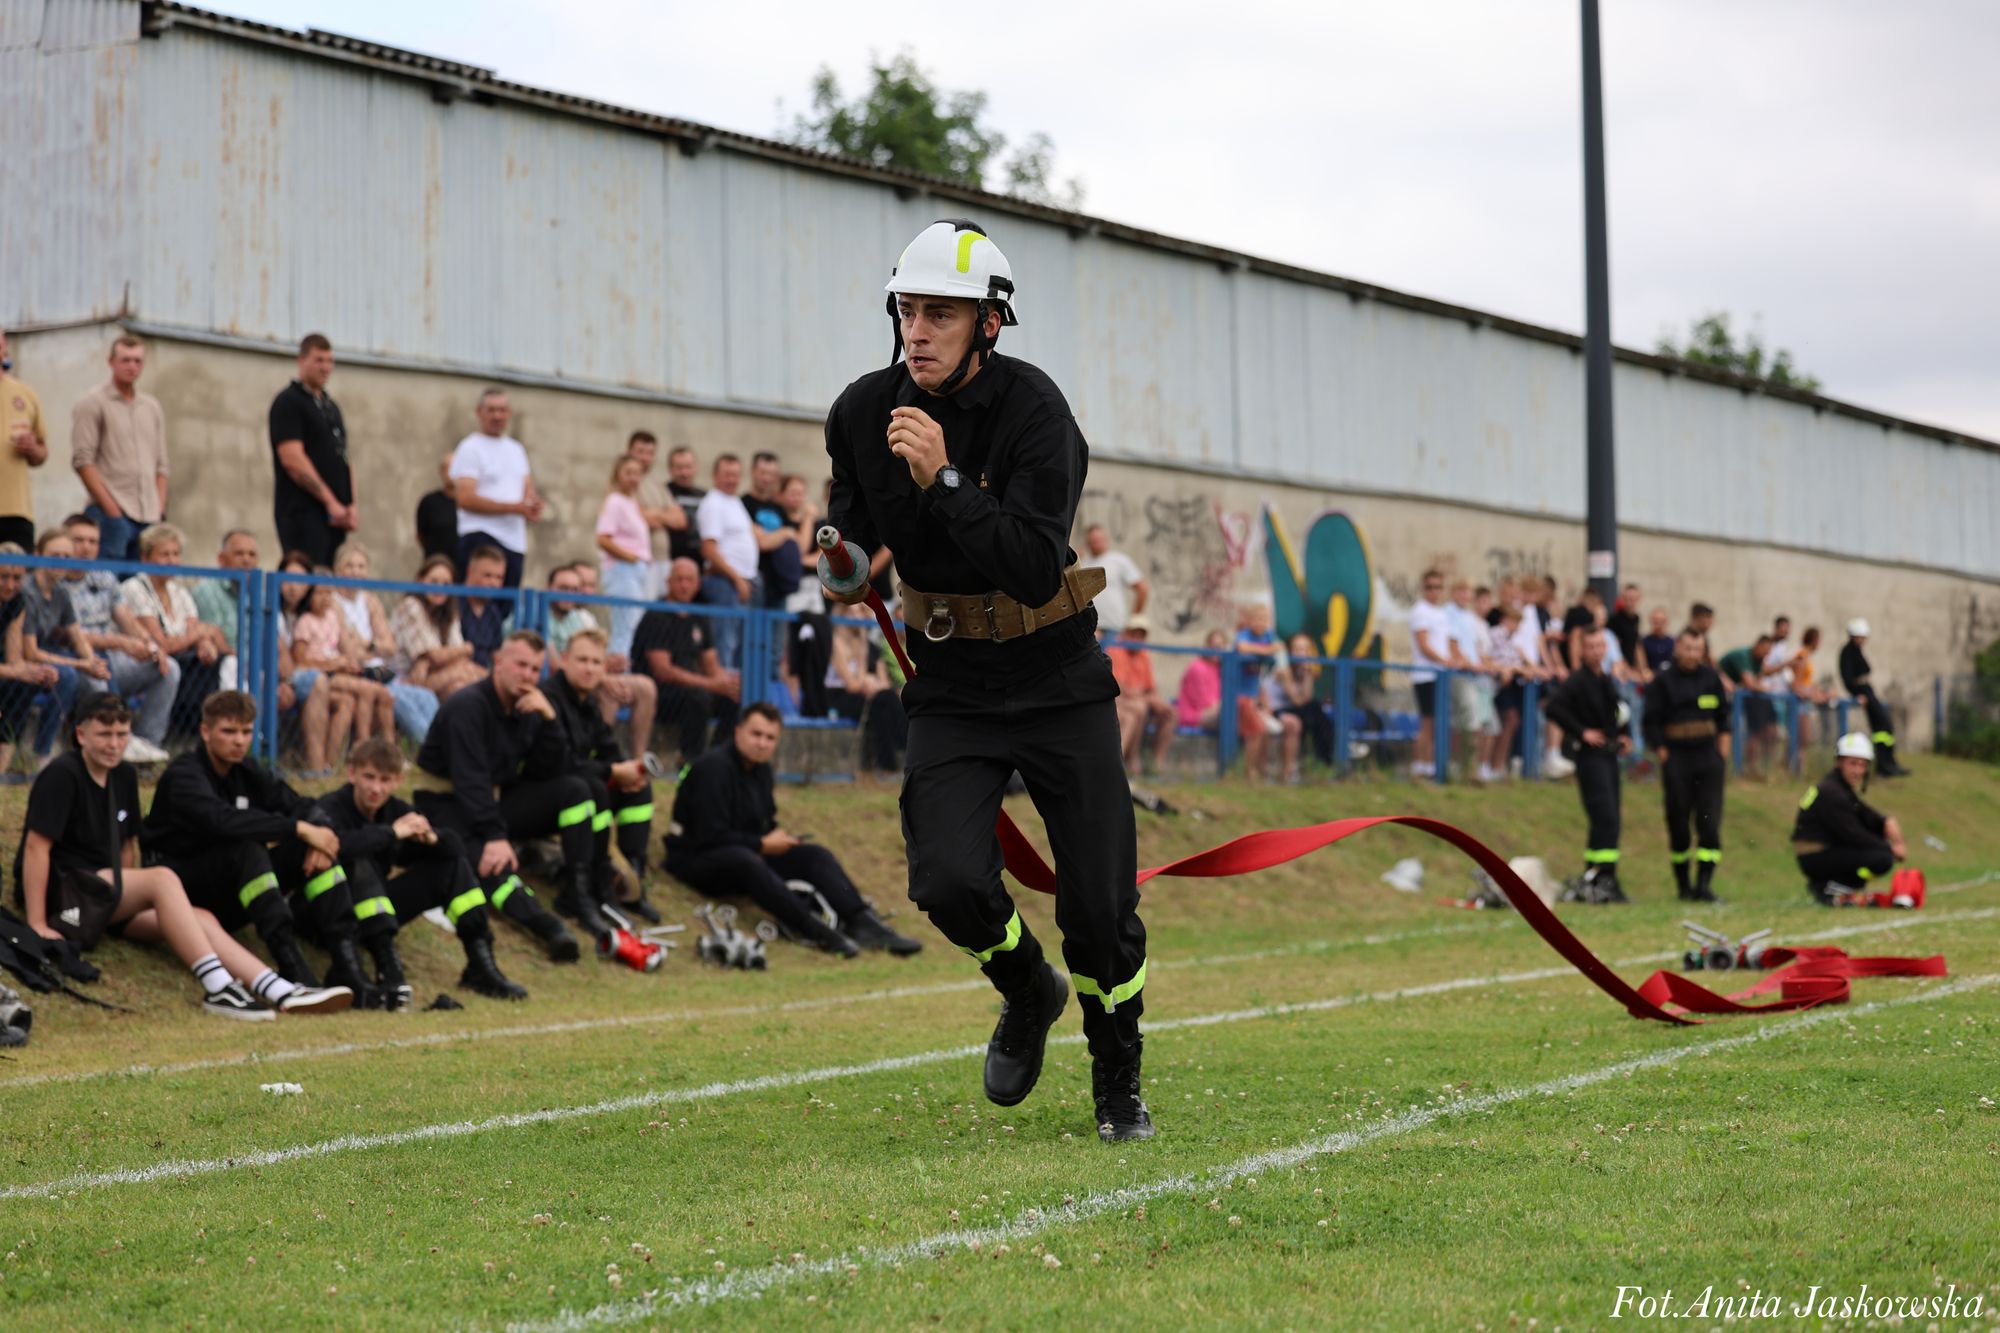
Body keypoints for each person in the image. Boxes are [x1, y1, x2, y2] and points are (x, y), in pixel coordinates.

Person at [823, 217, 1151, 1141]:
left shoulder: (1037, 412)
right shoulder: (860, 411)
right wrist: (841, 559)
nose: (917, 331)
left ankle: (1117, 1077)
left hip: (1057, 673)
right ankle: (1025, 986)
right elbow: (851, 526)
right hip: (952, 681)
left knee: (1098, 908)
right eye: (907, 311)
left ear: (990, 324)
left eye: (941, 314)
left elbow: (1037, 569)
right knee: (947, 879)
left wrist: (945, 480)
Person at [15, 692, 351, 1018]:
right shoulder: (62, 773)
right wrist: (37, 922)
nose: (114, 744)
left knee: (201, 917)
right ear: (80, 735)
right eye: (104, 734)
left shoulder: (124, 775)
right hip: (69, 892)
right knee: (163, 878)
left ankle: (279, 989)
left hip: (104, 897)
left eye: (122, 734)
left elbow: (127, 848)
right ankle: (218, 987)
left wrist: (130, 897)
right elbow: (36, 848)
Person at [144, 690, 371, 994]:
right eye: (229, 731)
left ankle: (348, 967)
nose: (239, 741)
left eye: (246, 732)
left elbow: (299, 803)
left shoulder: (247, 770)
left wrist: (318, 833)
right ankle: (291, 967)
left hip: (229, 889)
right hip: (181, 894)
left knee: (311, 848)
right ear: (205, 732)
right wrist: (298, 829)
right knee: (246, 846)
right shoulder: (184, 774)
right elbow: (222, 821)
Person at [665, 704, 920, 955]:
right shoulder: (712, 768)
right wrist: (762, 845)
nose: (762, 743)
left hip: (745, 853)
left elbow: (763, 822)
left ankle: (862, 922)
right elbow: (709, 837)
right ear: (738, 731)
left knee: (814, 855)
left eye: (770, 737)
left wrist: (778, 839)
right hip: (696, 859)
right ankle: (814, 930)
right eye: (756, 734)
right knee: (744, 860)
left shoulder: (761, 770)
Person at [413, 630, 596, 959]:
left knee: (576, 790)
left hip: (492, 802)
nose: (527, 675)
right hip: (446, 805)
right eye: (520, 665)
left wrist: (550, 720)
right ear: (498, 662)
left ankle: (578, 893)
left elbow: (550, 770)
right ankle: (549, 929)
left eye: (535, 669)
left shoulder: (528, 708)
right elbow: (470, 781)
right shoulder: (467, 706)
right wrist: (494, 836)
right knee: (490, 864)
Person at [307, 737, 527, 1004]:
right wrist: (392, 833)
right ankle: (389, 970)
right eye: (369, 777)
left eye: (385, 780)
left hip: (372, 916)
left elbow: (456, 848)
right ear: (352, 773)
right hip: (325, 917)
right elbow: (341, 845)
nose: (376, 788)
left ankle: (481, 964)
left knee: (451, 865)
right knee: (360, 862)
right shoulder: (330, 806)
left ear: (398, 781)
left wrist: (431, 838)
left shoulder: (396, 810)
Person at [548, 626, 661, 923]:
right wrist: (612, 771)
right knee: (592, 788)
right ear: (564, 660)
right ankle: (586, 886)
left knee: (639, 790)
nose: (589, 669)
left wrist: (629, 772)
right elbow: (562, 764)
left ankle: (631, 882)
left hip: (579, 786)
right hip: (546, 793)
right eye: (582, 660)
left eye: (596, 662)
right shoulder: (550, 698)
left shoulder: (588, 703)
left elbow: (607, 747)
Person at [1543, 627, 1630, 903]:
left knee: (1610, 818)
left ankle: (1598, 876)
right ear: (1582, 650)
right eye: (1590, 646)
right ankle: (1603, 879)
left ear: (1606, 649)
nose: (1595, 651)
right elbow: (1553, 708)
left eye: (1600, 646)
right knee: (1605, 818)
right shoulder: (1578, 681)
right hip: (1590, 758)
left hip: (1609, 756)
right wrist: (1581, 732)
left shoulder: (1605, 679)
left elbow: (1617, 713)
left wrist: (1623, 736)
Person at [1642, 628, 1729, 902]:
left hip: (1708, 757)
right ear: (1678, 648)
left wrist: (1721, 755)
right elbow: (1650, 721)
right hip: (1677, 758)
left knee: (1709, 823)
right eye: (1688, 648)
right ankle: (1683, 886)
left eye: (1697, 649)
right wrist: (1663, 752)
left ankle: (1704, 885)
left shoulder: (1711, 678)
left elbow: (1724, 719)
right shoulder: (1663, 681)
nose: (1692, 655)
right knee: (1678, 822)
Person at [122, 523, 229, 740]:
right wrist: (201, 634)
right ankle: (150, 740)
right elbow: (161, 643)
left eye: (176, 554)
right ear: (146, 558)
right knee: (170, 667)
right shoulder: (134, 588)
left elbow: (195, 631)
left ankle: (201, 735)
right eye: (165, 555)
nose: (172, 560)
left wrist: (205, 644)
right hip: (140, 659)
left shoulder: (179, 591)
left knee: (215, 661)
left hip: (180, 658)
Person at [69, 335, 167, 563]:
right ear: (111, 361)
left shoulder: (151, 407)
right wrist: (112, 510)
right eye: (125, 360)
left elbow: (162, 465)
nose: (132, 366)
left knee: (141, 582)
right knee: (106, 580)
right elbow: (83, 461)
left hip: (149, 517)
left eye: (137, 361)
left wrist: (159, 511)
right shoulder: (92, 402)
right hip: (111, 513)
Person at [545, 563, 659, 759]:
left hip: (591, 678)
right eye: (563, 588)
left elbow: (595, 657)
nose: (569, 594)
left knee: (646, 687)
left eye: (574, 589)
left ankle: (638, 761)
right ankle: (593, 757)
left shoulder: (581, 618)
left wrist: (608, 665)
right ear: (549, 588)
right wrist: (604, 677)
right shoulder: (537, 613)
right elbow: (557, 666)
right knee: (608, 693)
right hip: (558, 683)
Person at [631, 557, 738, 761]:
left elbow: (711, 665)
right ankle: (690, 762)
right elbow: (663, 670)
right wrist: (710, 684)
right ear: (668, 582)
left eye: (689, 580)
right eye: (679, 579)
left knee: (733, 699)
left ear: (698, 584)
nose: (684, 585)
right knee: (699, 698)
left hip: (693, 689)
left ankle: (717, 760)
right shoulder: (656, 615)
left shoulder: (699, 616)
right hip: (660, 693)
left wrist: (726, 684)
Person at [332, 541, 438, 740]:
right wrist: (372, 647)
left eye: (361, 566)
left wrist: (368, 644)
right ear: (338, 569)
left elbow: (390, 647)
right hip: (357, 672)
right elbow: (350, 652)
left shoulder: (370, 601)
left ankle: (437, 743)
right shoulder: (333, 602)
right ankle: (431, 745)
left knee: (427, 697)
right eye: (349, 565)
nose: (355, 572)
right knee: (399, 700)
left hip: (381, 671)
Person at [268, 333, 354, 567]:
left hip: (335, 519)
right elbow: (292, 459)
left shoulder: (331, 407)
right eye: (319, 360)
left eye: (330, 361)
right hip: (303, 515)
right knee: (306, 576)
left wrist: (350, 506)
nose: (326, 367)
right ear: (301, 360)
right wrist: (330, 502)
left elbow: (344, 457)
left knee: (331, 578)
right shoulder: (289, 402)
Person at [12, 530, 97, 763]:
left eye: (67, 557)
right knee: (68, 675)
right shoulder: (27, 592)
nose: (61, 562)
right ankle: (43, 753)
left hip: (48, 653)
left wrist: (92, 661)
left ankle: (100, 745)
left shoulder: (61, 591)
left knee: (100, 668)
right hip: (21, 658)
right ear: (38, 554)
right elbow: (30, 652)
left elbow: (77, 636)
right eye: (55, 555)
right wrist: (81, 664)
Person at [1792, 733, 1906, 904]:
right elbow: (1853, 834)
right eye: (1853, 763)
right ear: (1839, 762)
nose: (1858, 771)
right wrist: (1890, 848)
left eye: (1862, 765)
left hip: (1820, 853)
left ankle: (1836, 886)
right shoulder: (1832, 792)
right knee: (1882, 858)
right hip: (1815, 856)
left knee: (1878, 849)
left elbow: (1865, 814)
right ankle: (1834, 888)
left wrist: (1885, 822)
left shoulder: (1837, 787)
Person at [289, 571, 397, 750]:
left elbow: (341, 648)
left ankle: (387, 749)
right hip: (324, 675)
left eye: (328, 592)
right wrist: (332, 664)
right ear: (309, 595)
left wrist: (347, 662)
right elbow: (300, 662)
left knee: (377, 696)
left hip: (339, 671)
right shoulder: (306, 622)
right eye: (319, 593)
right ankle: (363, 744)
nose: (325, 598)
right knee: (370, 690)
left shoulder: (332, 618)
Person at [450, 388, 543, 589]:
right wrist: (515, 508)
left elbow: (527, 490)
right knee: (477, 600)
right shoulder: (470, 448)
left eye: (502, 410)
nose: (497, 416)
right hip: (481, 535)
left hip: (515, 542)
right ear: (479, 412)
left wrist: (532, 505)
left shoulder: (516, 449)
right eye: (491, 410)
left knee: (507, 603)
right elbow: (465, 498)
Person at [391, 553, 487, 703]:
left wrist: (431, 659)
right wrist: (467, 648)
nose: (439, 588)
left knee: (459, 686)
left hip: (436, 676)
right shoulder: (411, 606)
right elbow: (433, 655)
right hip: (405, 681)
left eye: (446, 584)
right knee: (469, 673)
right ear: (420, 580)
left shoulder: (449, 611)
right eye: (434, 581)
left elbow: (450, 656)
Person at [694, 453, 760, 670]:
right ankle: (723, 686)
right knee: (726, 642)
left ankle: (736, 685)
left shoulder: (734, 502)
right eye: (727, 474)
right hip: (725, 583)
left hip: (741, 582)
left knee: (741, 644)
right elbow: (709, 549)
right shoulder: (714, 504)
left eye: (736, 475)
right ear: (715, 476)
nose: (732, 480)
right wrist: (736, 579)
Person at [595, 454, 652, 659]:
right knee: (624, 627)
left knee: (633, 626)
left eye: (637, 473)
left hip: (637, 571)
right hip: (623, 570)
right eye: (628, 473)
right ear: (617, 474)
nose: (633, 478)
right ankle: (618, 671)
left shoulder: (632, 503)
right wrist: (630, 557)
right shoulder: (614, 501)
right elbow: (603, 538)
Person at [1109, 614, 1178, 775]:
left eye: (1141, 635)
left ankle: (1157, 763)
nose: (1137, 639)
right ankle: (1131, 759)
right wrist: (1147, 697)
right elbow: (1120, 688)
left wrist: (1158, 703)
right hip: (1120, 702)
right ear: (1126, 633)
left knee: (1170, 713)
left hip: (1138, 701)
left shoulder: (1143, 654)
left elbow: (1150, 688)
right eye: (1134, 634)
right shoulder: (1116, 650)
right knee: (1139, 709)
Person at [0, 328, 49, 552]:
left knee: (19, 571)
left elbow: (42, 453)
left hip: (16, 511)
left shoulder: (25, 393)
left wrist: (32, 448)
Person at [1407, 568, 1459, 780]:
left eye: (1438, 587)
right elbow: (1424, 645)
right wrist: (1444, 661)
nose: (1434, 591)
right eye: (1430, 587)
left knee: (1437, 723)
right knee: (1427, 723)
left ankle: (1430, 765)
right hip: (1426, 675)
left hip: (1440, 674)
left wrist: (1452, 660)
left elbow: (1446, 644)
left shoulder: (1441, 613)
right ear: (1423, 588)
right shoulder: (1420, 611)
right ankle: (1419, 766)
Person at [623, 432, 688, 596]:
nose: (645, 457)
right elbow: (635, 518)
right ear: (629, 452)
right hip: (639, 561)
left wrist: (654, 514)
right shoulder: (625, 483)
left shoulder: (657, 485)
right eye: (640, 451)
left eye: (650, 453)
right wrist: (663, 514)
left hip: (663, 560)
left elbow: (680, 519)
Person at [1839, 618, 1908, 776]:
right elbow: (1848, 678)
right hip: (1864, 693)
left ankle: (1889, 763)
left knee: (1885, 727)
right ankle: (1884, 765)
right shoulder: (1848, 652)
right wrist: (1858, 694)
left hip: (1867, 691)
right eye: (1861, 637)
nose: (1863, 640)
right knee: (1882, 726)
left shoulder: (1856, 651)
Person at [1272, 630, 1334, 772]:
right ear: (1290, 651)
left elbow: (1306, 697)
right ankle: (1328, 759)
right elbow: (1297, 701)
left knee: (1316, 711)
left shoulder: (1303, 669)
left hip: (1294, 709)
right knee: (1314, 709)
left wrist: (1308, 673)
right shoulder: (1283, 669)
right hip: (1274, 709)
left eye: (1306, 649)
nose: (1303, 653)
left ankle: (1326, 760)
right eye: (1298, 649)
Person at [1719, 634, 1778, 774]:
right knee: (1730, 732)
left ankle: (1756, 767)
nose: (1765, 655)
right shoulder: (1743, 656)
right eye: (1764, 651)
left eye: (1768, 653)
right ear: (1757, 645)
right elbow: (1750, 683)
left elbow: (1764, 673)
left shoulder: (1758, 661)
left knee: (1763, 731)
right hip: (1722, 700)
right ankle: (1734, 768)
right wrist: (1766, 688)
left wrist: (1786, 664)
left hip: (1737, 699)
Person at [1079, 523, 1146, 637]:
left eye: (1098, 539)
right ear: (1087, 542)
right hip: (1089, 629)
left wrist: (1133, 620)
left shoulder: (1119, 560)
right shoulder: (1082, 563)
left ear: (1107, 539)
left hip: (1114, 629)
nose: (1096, 543)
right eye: (1092, 540)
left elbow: (1142, 589)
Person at [458, 544, 513, 667]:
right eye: (487, 575)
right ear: (470, 572)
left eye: (499, 577)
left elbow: (496, 654)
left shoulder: (493, 612)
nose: (494, 583)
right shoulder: (451, 604)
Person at [1175, 629, 1228, 734]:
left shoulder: (1221, 668)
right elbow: (1204, 703)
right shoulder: (1197, 667)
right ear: (1207, 647)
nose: (1216, 650)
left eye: (1220, 647)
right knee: (1229, 715)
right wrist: (1225, 704)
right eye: (1213, 646)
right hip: (1195, 715)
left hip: (1214, 711)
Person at [664, 444, 706, 566]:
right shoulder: (663, 493)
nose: (684, 473)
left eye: (688, 467)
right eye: (679, 467)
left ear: (696, 467)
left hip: (701, 563)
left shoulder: (705, 496)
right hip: (672, 562)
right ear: (670, 469)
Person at [414, 453, 459, 562]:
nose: (452, 472)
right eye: (448, 467)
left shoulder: (470, 504)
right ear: (441, 471)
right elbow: (421, 535)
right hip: (437, 562)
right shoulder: (429, 502)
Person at [1607, 582, 1643, 670]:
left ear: (1638, 599)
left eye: (1633, 599)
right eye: (1627, 599)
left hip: (1631, 664)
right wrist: (1626, 669)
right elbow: (1614, 647)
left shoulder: (1636, 618)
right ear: (1622, 599)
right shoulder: (1614, 620)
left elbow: (1636, 644)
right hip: (1618, 666)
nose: (1630, 603)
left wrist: (1642, 668)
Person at [1640, 607, 1676, 677]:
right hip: (1650, 676)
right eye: (1655, 621)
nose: (1658, 624)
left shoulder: (1672, 642)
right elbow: (1642, 665)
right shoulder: (1644, 642)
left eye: (1661, 621)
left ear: (1666, 622)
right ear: (1651, 621)